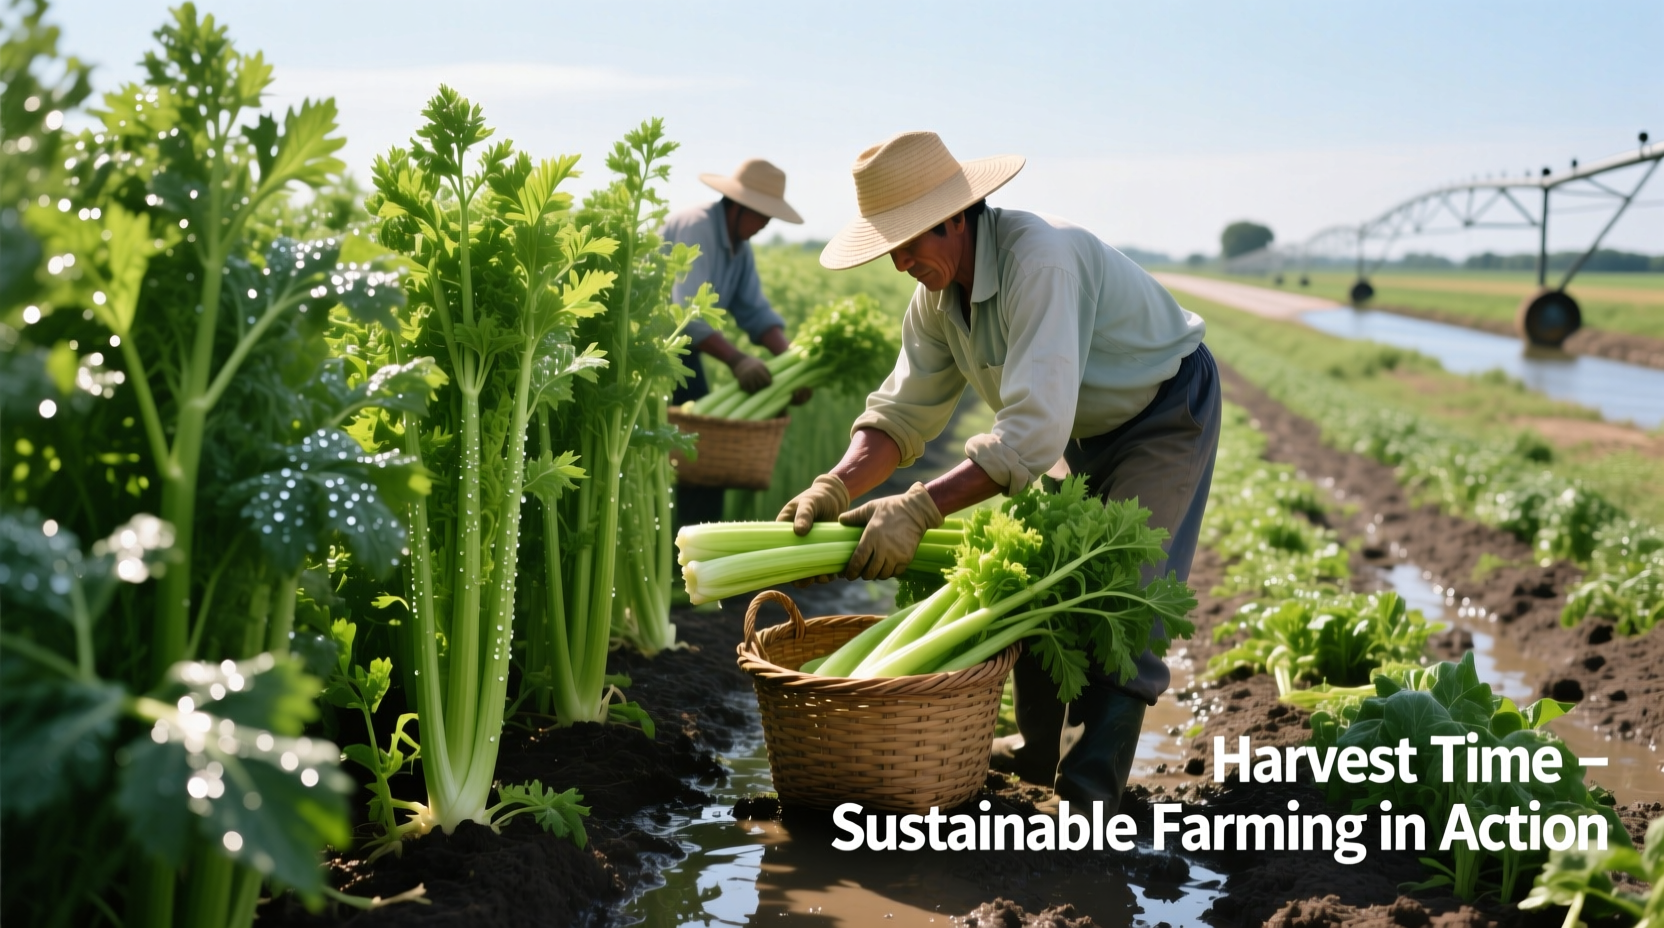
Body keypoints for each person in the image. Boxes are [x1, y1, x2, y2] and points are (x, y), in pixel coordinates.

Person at [777, 131, 1220, 810]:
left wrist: (919, 508)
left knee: (1127, 597)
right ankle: (1034, 753)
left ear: (956, 216)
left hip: (1163, 409)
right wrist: (833, 485)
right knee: (1040, 585)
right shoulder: (935, 298)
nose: (899, 262)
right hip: (1080, 426)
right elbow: (901, 415)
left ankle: (1088, 796)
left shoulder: (1039, 263)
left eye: (908, 240)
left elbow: (1030, 434)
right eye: (887, 246)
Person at [662, 158, 809, 526]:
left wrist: (793, 361)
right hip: (657, 352)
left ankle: (695, 548)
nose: (766, 225)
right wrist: (737, 360)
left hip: (682, 351)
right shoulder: (698, 227)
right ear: (741, 206)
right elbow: (686, 315)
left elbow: (754, 312)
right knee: (698, 449)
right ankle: (691, 551)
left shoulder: (739, 249)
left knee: (702, 451)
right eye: (763, 215)